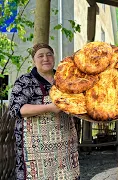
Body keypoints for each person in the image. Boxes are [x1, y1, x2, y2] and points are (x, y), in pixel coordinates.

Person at [9, 43, 80, 179]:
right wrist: (50, 108)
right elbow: (17, 109)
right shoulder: (25, 82)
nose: (45, 58)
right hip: (35, 150)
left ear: (54, 57)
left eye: (49, 55)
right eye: (40, 56)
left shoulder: (64, 79)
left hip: (64, 145)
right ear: (34, 61)